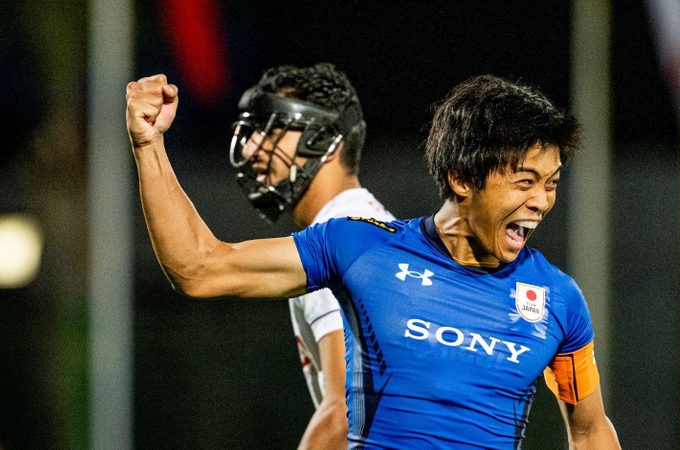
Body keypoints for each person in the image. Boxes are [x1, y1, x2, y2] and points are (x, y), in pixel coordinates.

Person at [126, 72, 620, 448]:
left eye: (551, 184)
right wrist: (149, 145)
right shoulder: (360, 248)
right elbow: (200, 268)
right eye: (525, 182)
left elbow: (591, 429)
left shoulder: (558, 300)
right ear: (461, 178)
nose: (542, 201)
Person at [229, 63, 394, 449]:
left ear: (323, 140)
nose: (252, 149)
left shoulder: (338, 238)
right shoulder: (368, 222)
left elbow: (346, 412)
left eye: (272, 131)